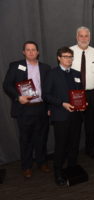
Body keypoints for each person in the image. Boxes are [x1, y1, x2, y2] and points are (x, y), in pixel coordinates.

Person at [3, 41, 51, 178]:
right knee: (26, 139)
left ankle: (42, 162)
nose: (31, 52)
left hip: (41, 107)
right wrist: (18, 98)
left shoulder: (46, 68)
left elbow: (49, 89)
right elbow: (7, 85)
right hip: (24, 108)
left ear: (38, 52)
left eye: (33, 49)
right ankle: (27, 166)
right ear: (23, 52)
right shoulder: (16, 66)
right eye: (28, 50)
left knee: (41, 138)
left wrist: (49, 107)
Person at [43, 47, 84, 186]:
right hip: (61, 116)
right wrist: (62, 103)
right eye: (65, 56)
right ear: (59, 58)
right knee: (61, 146)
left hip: (76, 116)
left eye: (70, 56)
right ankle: (58, 172)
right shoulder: (52, 74)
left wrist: (83, 102)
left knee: (74, 144)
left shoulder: (77, 73)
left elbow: (80, 92)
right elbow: (46, 95)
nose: (68, 59)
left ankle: (72, 168)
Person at [70, 26, 94, 158]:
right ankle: (73, 151)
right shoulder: (70, 51)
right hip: (75, 94)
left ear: (89, 38)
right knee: (75, 125)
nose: (84, 38)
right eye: (81, 36)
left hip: (92, 94)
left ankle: (90, 150)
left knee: (91, 124)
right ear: (76, 37)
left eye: (86, 36)